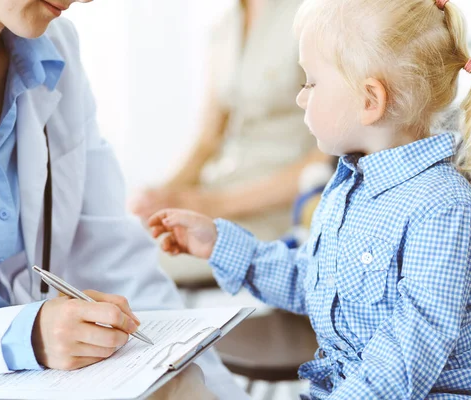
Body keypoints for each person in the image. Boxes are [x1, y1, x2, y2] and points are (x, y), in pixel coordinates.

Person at [148, 0, 471, 398]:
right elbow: (312, 283)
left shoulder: (442, 208)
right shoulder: (347, 190)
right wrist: (218, 243)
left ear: (370, 100)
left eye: (311, 82)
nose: (302, 98)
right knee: (180, 386)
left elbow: (405, 362)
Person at [0, 1, 245, 398]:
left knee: (182, 387)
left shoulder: (53, 52)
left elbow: (113, 256)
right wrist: (20, 335)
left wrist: (207, 381)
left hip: (25, 379)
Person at [129, 0, 327, 284]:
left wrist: (217, 204)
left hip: (281, 210)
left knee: (136, 261)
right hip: (220, 195)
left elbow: (329, 157)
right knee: (119, 244)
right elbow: (209, 139)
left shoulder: (315, 14)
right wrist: (165, 194)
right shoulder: (223, 28)